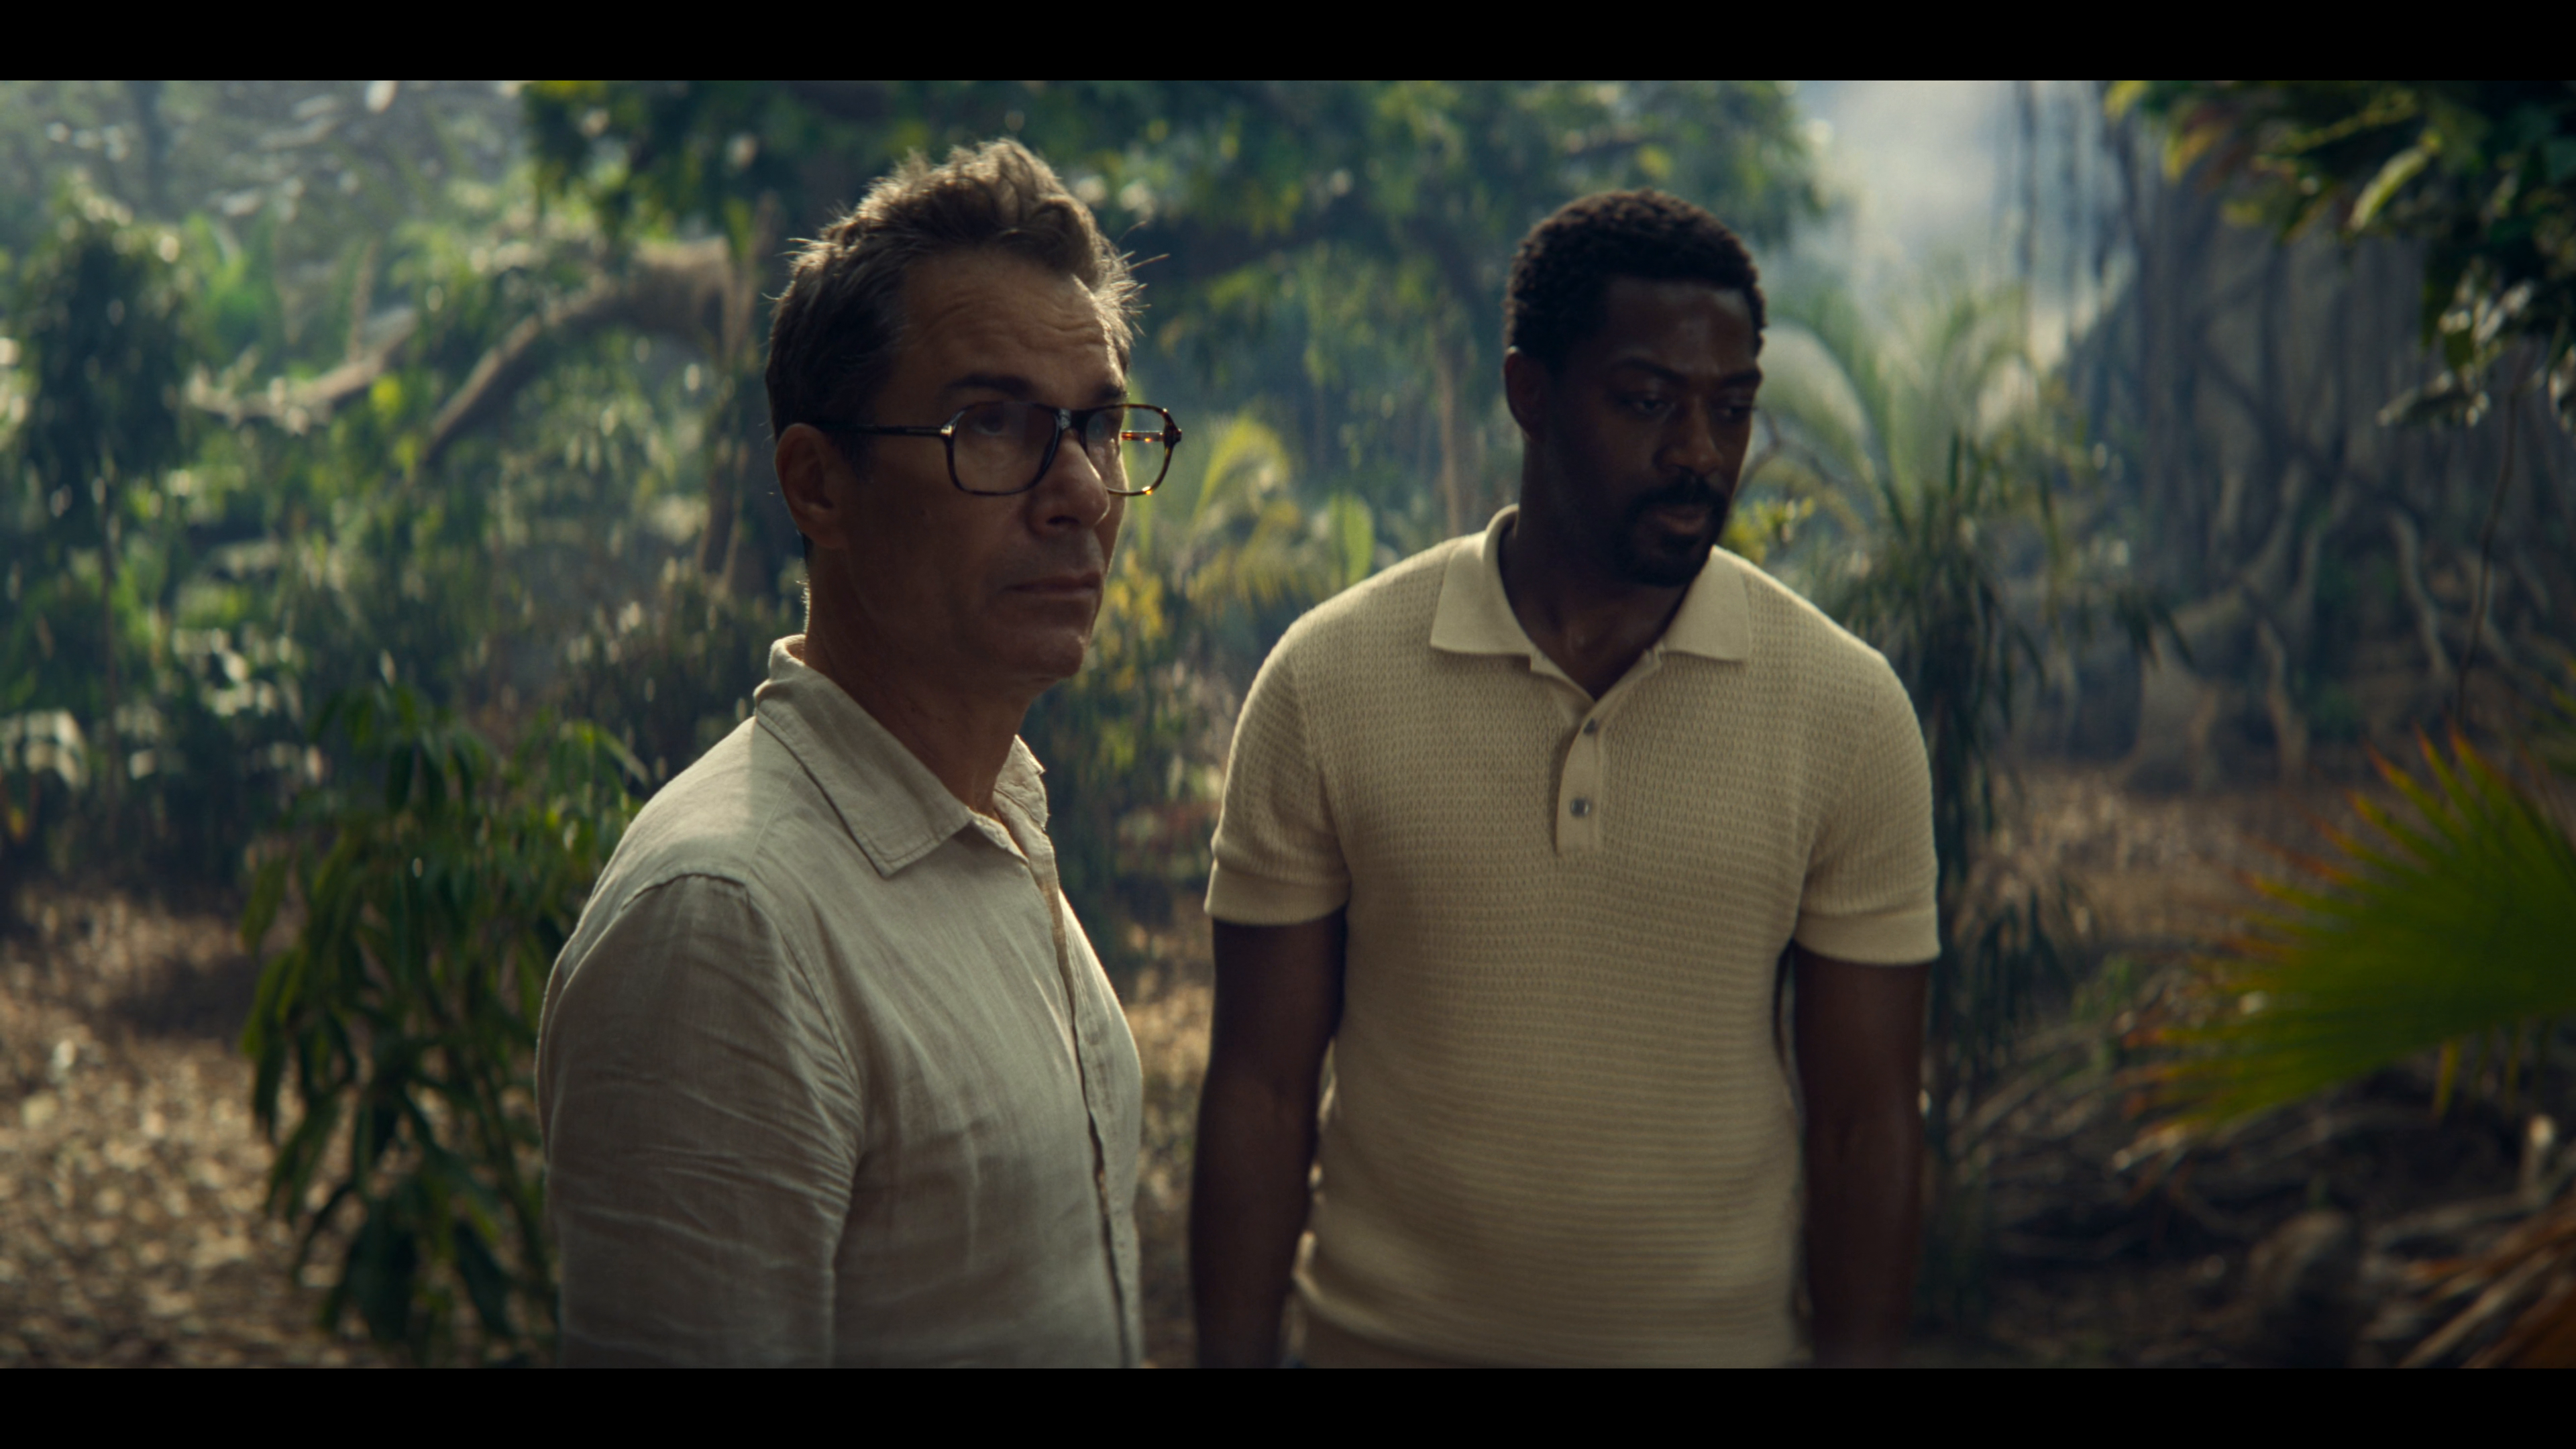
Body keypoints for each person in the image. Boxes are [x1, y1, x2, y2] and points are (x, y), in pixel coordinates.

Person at [1189, 190, 1937, 1368]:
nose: (1699, 452)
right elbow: (1260, 1093)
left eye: (1731, 408)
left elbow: (1864, 1128)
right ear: (1528, 393)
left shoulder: (1847, 711)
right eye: (1647, 401)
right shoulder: (1328, 681)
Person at [538, 139, 1183, 1366]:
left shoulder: (992, 813)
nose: (1085, 494)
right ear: (818, 485)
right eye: (992, 425)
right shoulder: (730, 920)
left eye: (1100, 427)